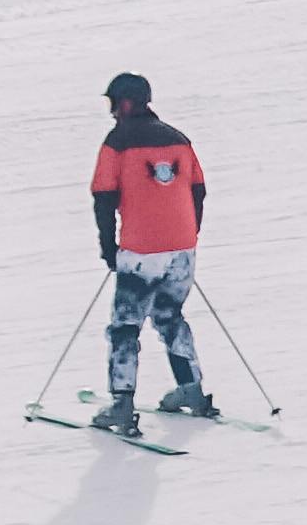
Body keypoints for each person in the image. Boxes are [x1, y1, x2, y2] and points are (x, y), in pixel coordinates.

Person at [87, 71, 217, 432]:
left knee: (125, 327)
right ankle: (192, 391)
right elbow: (198, 190)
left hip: (141, 251)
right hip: (182, 248)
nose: (112, 111)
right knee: (170, 315)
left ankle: (122, 406)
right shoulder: (179, 139)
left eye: (114, 103)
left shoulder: (117, 141)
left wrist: (109, 248)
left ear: (126, 103)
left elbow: (103, 197)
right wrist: (187, 234)